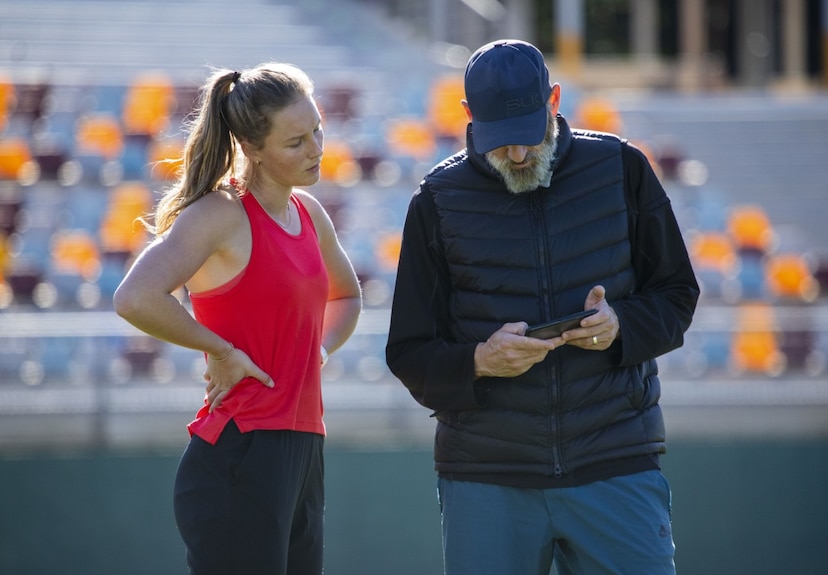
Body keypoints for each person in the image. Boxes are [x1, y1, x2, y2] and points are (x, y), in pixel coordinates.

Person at [385, 39, 699, 575]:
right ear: (467, 116)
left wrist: (621, 325)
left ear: (555, 101)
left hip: (616, 465)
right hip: (486, 477)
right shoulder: (435, 199)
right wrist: (481, 360)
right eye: (500, 140)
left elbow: (677, 295)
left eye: (528, 134)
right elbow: (408, 352)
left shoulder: (623, 169)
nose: (517, 154)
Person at [113, 62, 362, 575]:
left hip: (303, 453)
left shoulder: (310, 212)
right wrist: (222, 350)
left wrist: (315, 351)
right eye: (296, 142)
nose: (317, 147)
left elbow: (346, 298)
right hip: (238, 456)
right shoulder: (220, 214)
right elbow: (135, 297)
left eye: (317, 130)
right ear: (252, 147)